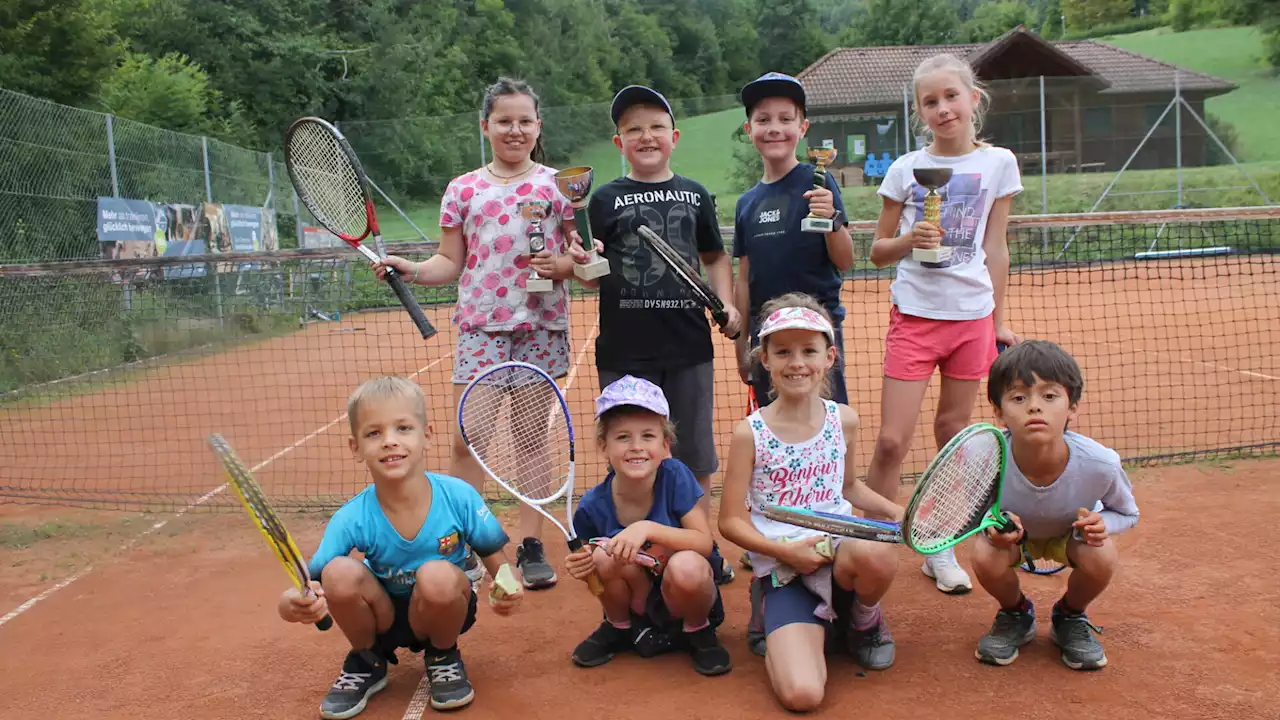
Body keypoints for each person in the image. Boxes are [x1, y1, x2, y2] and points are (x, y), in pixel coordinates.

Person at [374, 77, 600, 591]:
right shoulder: (463, 189)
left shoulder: (559, 187)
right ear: (486, 126)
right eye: (504, 120)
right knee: (465, 439)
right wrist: (411, 268)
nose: (515, 130)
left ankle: (531, 544)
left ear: (538, 126)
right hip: (480, 328)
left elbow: (580, 261)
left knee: (528, 439)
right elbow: (449, 261)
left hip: (540, 328)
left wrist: (562, 263)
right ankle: (463, 546)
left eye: (524, 120)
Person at [865, 53, 1024, 595]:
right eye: (930, 102)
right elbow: (878, 252)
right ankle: (869, 541)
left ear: (973, 99)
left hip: (973, 319)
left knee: (953, 436)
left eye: (951, 96)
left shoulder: (999, 162)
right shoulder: (904, 169)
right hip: (914, 316)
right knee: (890, 441)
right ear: (920, 112)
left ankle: (941, 547)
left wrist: (999, 320)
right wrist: (911, 241)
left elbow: (995, 247)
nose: (943, 108)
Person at [277, 376, 524, 717]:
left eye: (403, 428)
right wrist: (291, 602)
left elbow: (494, 555)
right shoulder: (352, 516)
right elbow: (312, 579)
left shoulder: (458, 496)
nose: (390, 442)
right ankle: (367, 659)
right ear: (355, 447)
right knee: (338, 572)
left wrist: (509, 586)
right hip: (385, 615)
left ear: (427, 435)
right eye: (373, 433)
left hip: (442, 607)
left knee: (437, 574)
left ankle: (442, 654)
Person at [575, 84, 741, 584]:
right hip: (625, 349)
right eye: (633, 129)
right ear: (617, 141)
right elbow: (591, 265)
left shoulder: (694, 194)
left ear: (674, 136)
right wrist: (579, 261)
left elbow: (713, 257)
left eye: (654, 127)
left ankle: (701, 547)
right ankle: (629, 546)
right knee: (628, 448)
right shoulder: (600, 199)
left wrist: (728, 302)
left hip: (688, 344)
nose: (645, 136)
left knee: (693, 453)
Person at [718, 293, 902, 712]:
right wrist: (785, 552)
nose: (796, 362)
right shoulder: (749, 433)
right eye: (782, 351)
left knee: (879, 548)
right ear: (764, 359)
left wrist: (894, 512)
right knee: (803, 695)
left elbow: (850, 487)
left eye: (808, 351)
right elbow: (730, 521)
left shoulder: (845, 420)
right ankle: (773, 609)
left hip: (839, 552)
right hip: (787, 566)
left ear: (829, 356)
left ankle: (862, 621)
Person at [972, 340, 1139, 671]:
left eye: (1049, 396)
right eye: (1019, 398)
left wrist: (1102, 523)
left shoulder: (1100, 463)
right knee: (984, 554)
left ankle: (1070, 615)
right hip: (1013, 541)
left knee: (1101, 553)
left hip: (1070, 537)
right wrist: (992, 525)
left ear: (1072, 407)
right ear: (999, 411)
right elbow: (972, 514)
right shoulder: (984, 457)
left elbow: (1127, 512)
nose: (1035, 407)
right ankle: (1016, 613)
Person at [563, 375, 733, 676]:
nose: (636, 447)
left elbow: (704, 542)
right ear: (604, 446)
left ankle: (698, 631)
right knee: (602, 556)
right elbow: (593, 569)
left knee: (688, 566)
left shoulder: (675, 476)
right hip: (635, 599)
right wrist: (582, 568)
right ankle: (619, 627)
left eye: (648, 436)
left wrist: (647, 528)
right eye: (623, 437)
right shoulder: (591, 505)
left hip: (683, 594)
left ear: (665, 444)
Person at [731, 71, 855, 408]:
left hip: (817, 331)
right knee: (772, 431)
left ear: (802, 128)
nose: (774, 127)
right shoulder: (746, 204)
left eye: (786, 119)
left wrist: (831, 219)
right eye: (763, 119)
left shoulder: (818, 181)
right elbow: (743, 281)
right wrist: (742, 347)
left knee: (827, 425)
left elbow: (845, 260)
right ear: (749, 129)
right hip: (768, 337)